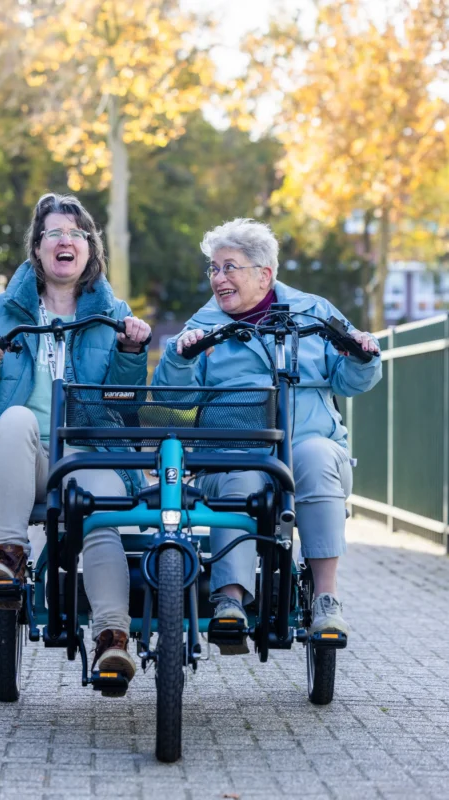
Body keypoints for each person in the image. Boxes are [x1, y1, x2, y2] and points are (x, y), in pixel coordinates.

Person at [0, 193, 151, 683]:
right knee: (14, 418)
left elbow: (127, 405)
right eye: (54, 233)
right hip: (28, 457)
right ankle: (10, 558)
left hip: (91, 454)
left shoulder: (113, 311)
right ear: (36, 247)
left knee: (100, 519)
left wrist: (129, 350)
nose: (65, 241)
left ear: (89, 247)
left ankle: (112, 639)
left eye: (76, 234)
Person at [153, 218, 381, 652]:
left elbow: (350, 380)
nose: (218, 278)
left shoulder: (314, 312)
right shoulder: (204, 324)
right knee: (240, 472)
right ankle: (230, 601)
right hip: (234, 448)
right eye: (214, 269)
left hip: (309, 442)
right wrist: (181, 357)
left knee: (316, 456)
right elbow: (173, 396)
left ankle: (326, 600)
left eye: (229, 267)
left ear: (265, 274)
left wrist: (362, 356)